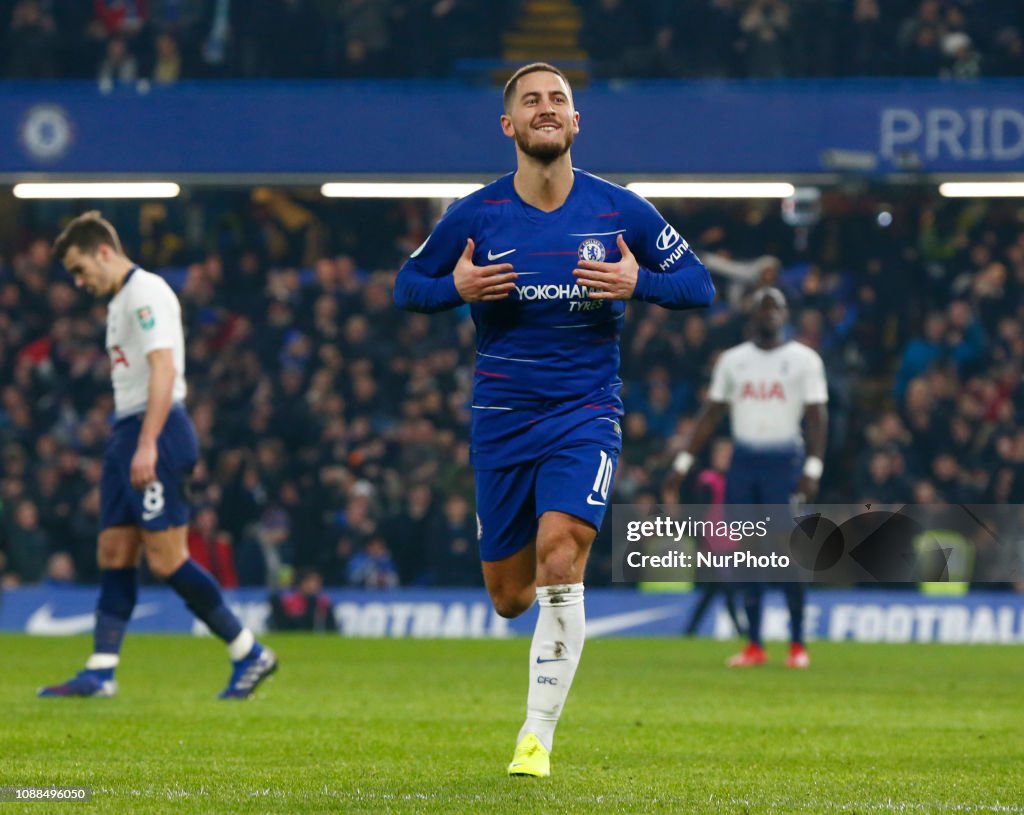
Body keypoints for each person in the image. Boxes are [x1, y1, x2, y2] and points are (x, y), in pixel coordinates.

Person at [394, 62, 715, 777]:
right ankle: (544, 626)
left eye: (559, 100)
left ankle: (535, 738)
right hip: (502, 420)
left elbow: (699, 283)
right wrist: (457, 286)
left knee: (562, 554)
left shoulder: (620, 210)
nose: (547, 108)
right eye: (531, 100)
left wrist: (642, 282)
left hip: (585, 413)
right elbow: (406, 285)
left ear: (576, 123)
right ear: (508, 126)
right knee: (511, 597)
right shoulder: (476, 215)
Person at [39, 212, 277, 699]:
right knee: (114, 551)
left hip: (158, 430)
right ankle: (101, 670)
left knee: (168, 560)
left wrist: (148, 442)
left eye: (81, 269)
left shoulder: (146, 292)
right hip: (128, 430)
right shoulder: (120, 300)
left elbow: (164, 369)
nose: (81, 282)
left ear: (103, 251)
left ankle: (248, 651)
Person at [672, 286, 827, 668]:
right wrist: (683, 461)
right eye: (763, 307)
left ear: (786, 314)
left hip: (784, 463)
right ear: (752, 316)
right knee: (747, 555)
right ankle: (755, 643)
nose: (769, 313)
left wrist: (813, 468)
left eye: (776, 306)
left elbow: (818, 417)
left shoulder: (804, 360)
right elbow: (711, 414)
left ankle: (796, 644)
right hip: (743, 463)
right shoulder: (733, 361)